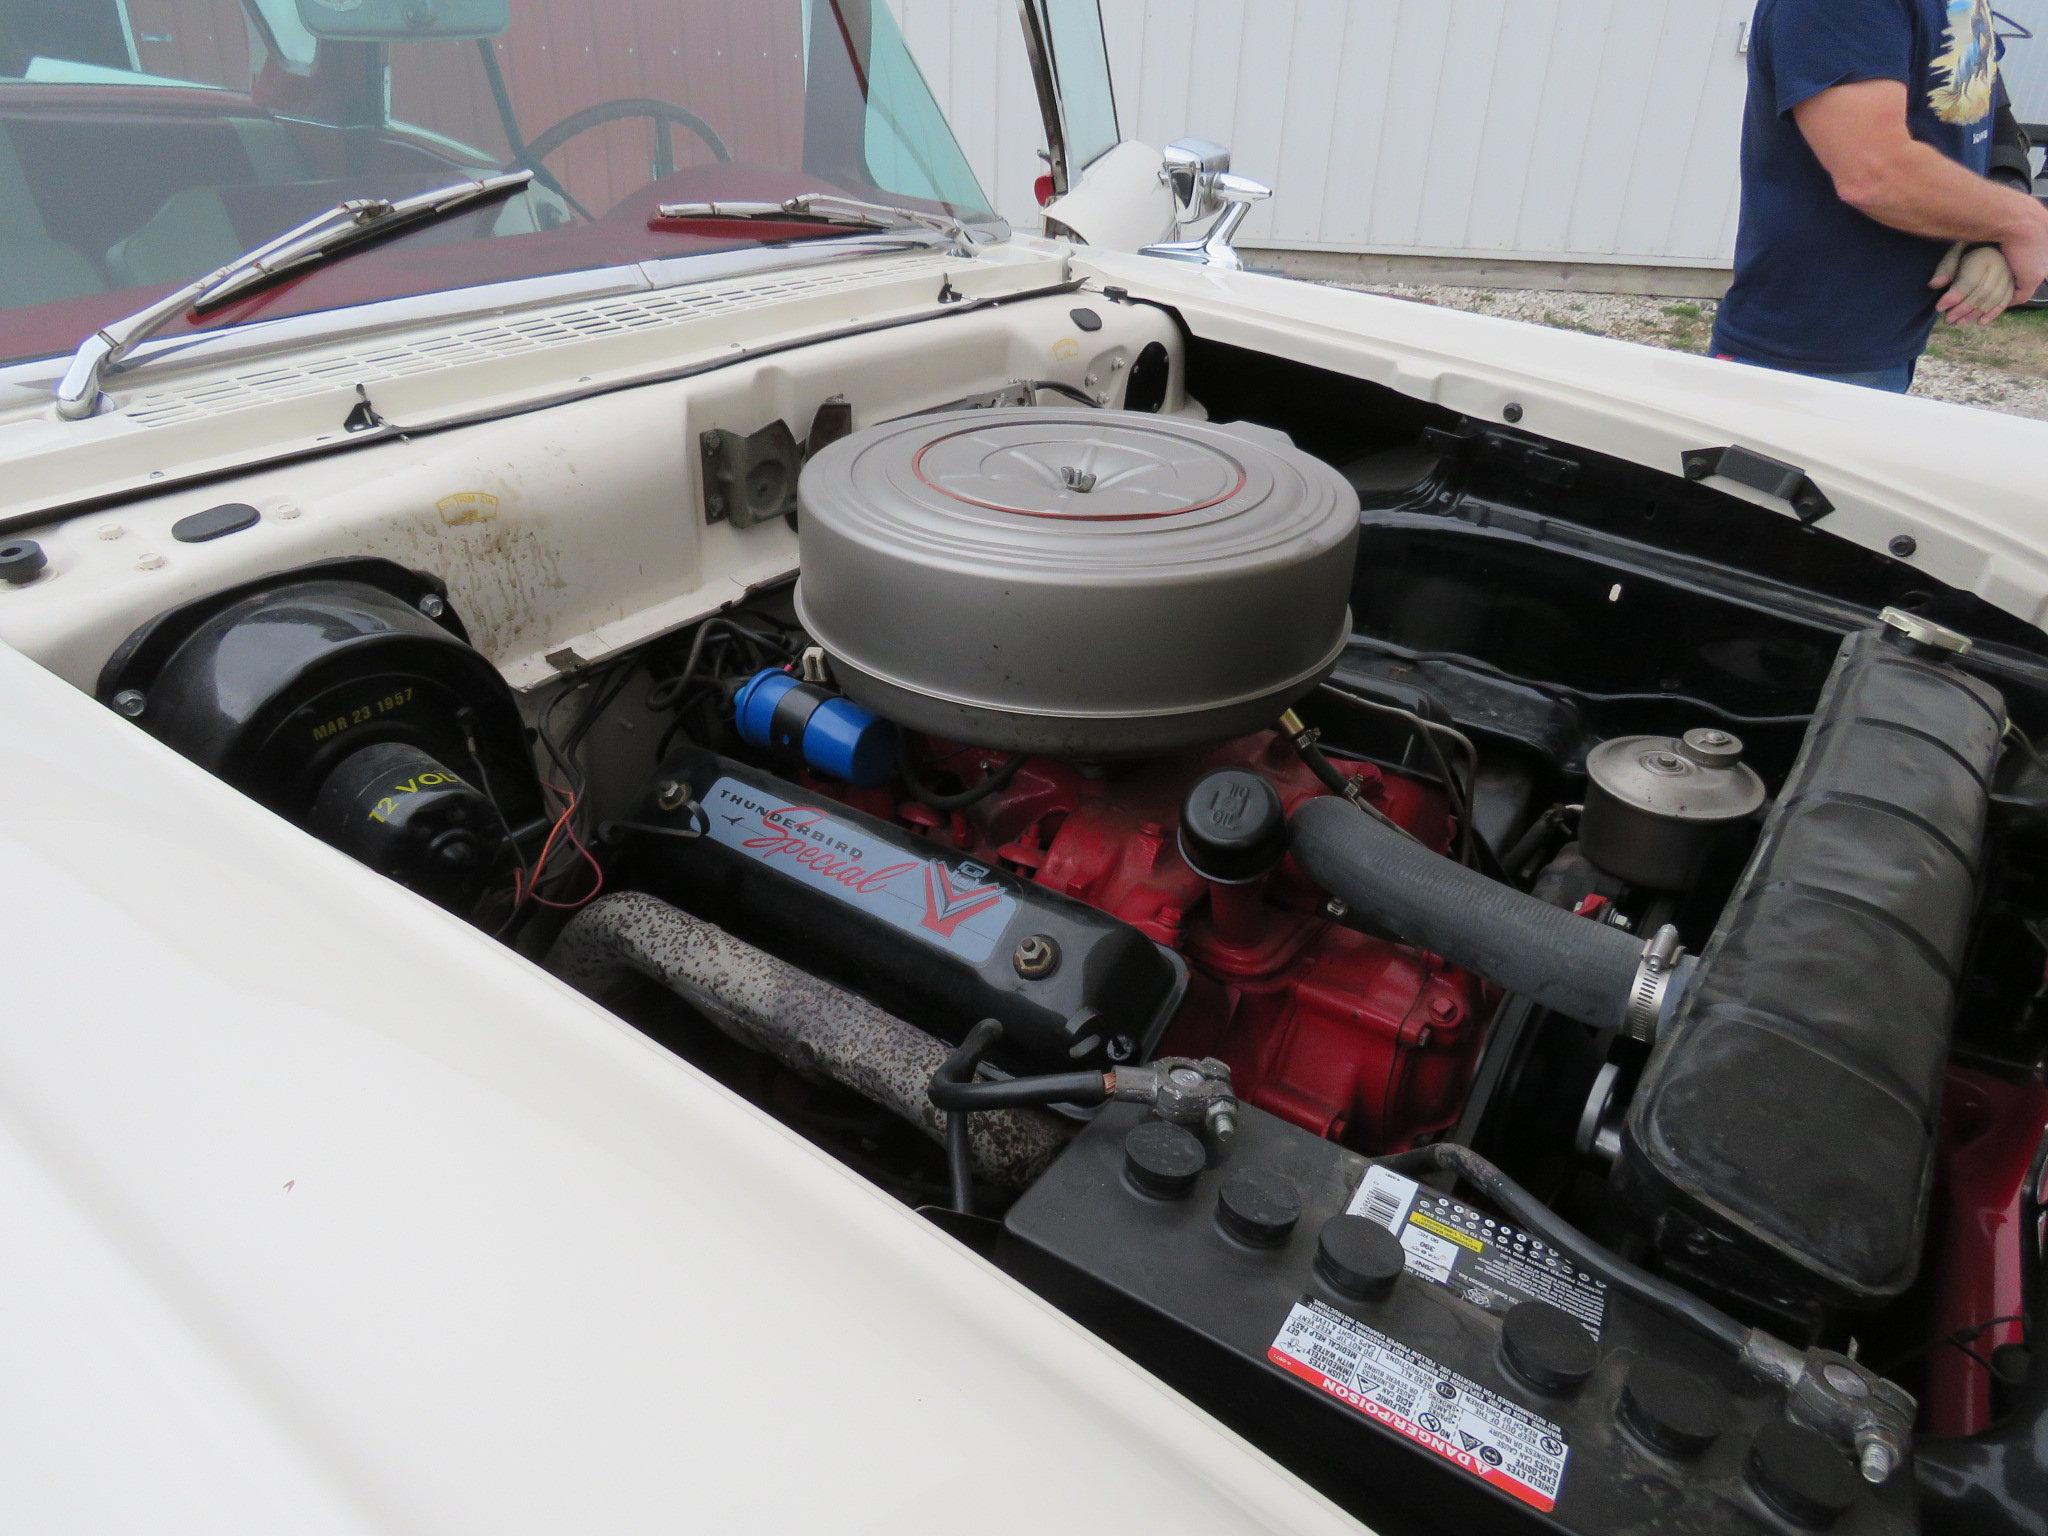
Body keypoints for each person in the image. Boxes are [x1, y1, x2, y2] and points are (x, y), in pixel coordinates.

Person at [1710, 0, 2048, 391]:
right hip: (1803, 358)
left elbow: (1988, 110)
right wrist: (2022, 222)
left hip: (1890, 341)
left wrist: (1991, 230)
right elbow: (1874, 173)